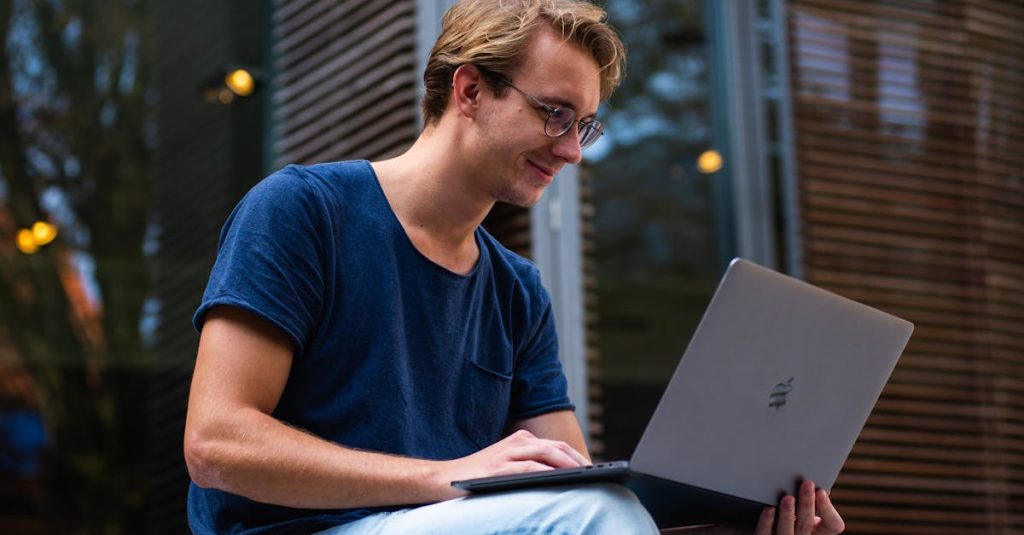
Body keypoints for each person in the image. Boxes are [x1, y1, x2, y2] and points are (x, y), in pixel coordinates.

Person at [183, 1, 846, 534]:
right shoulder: (303, 212)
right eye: (555, 114)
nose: (571, 151)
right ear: (469, 88)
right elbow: (215, 444)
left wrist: (731, 520)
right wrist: (446, 475)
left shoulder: (517, 291)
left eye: (584, 126)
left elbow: (574, 489)